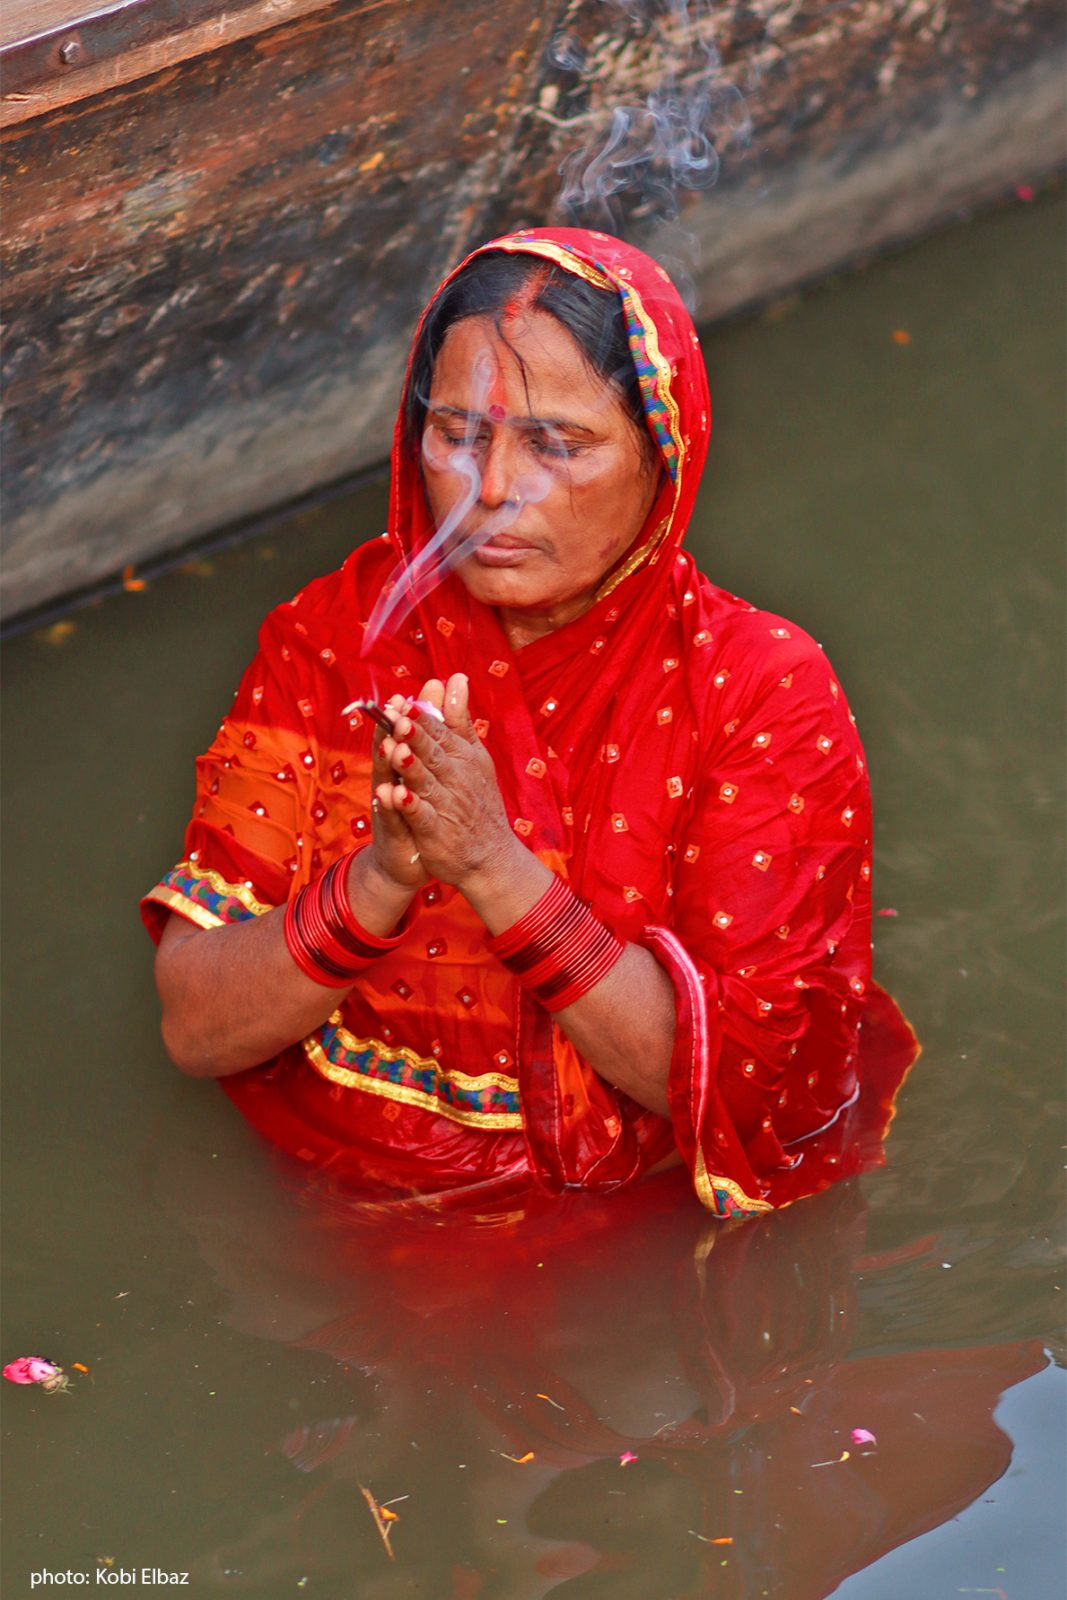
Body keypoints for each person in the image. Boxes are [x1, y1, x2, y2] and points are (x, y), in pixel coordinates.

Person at [142, 226, 916, 1216]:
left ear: (663, 457)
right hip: (328, 1203)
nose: (490, 487)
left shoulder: (757, 688)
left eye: (557, 442)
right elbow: (195, 1029)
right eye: (456, 433)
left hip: (629, 1237)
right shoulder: (338, 636)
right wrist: (380, 874)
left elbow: (751, 1089)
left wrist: (488, 863)